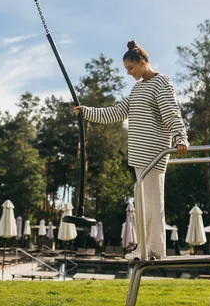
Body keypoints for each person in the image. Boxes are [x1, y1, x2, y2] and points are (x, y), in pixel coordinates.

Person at [74, 40, 189, 260]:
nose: (129, 73)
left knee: (154, 205)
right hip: (139, 156)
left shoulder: (161, 82)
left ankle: (155, 251)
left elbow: (171, 112)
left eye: (130, 68)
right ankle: (143, 249)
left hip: (154, 154)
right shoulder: (137, 89)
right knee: (143, 206)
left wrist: (181, 137)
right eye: (126, 69)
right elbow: (115, 113)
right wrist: (85, 112)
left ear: (143, 62)